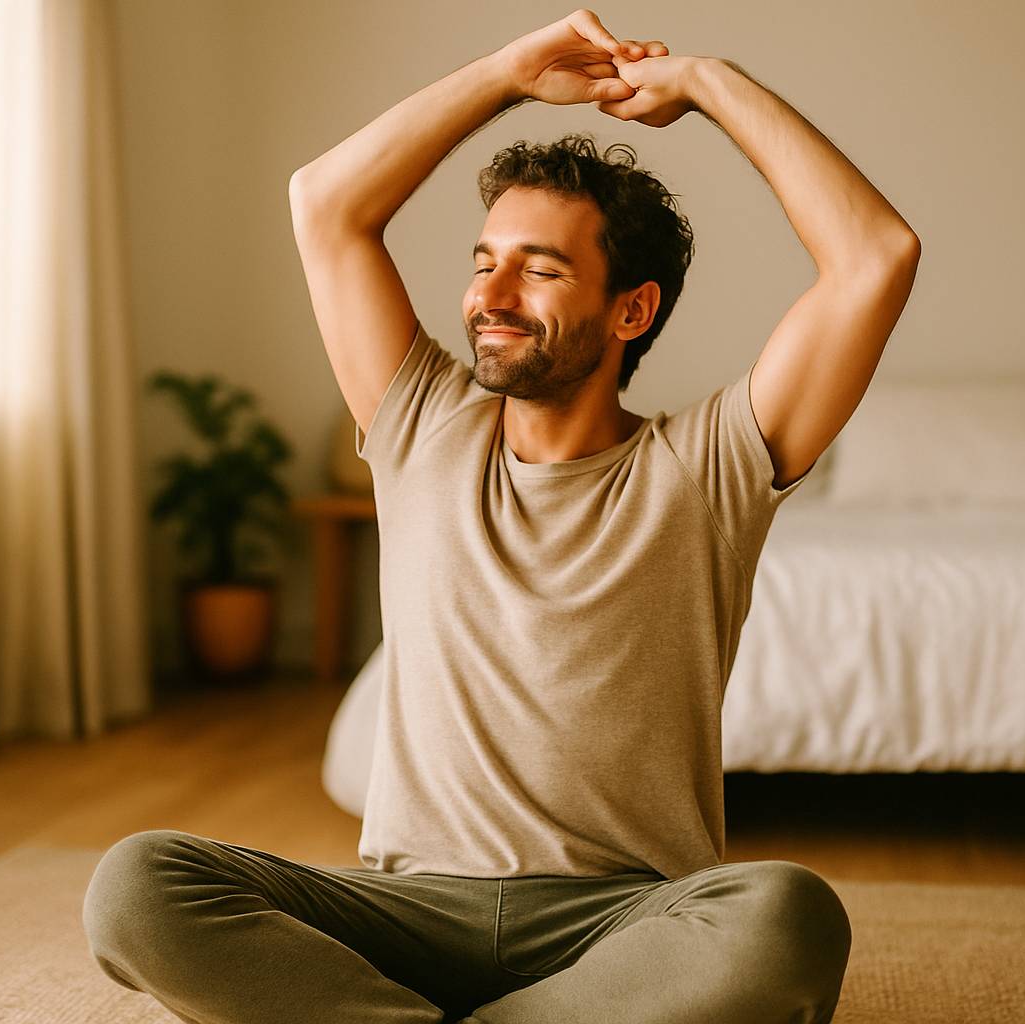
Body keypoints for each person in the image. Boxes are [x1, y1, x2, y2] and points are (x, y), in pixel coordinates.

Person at [81, 9, 920, 1023]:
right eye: (485, 259)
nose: (492, 292)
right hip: (404, 913)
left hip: (622, 926)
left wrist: (708, 81)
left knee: (788, 914)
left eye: (542, 267)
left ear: (632, 311)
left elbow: (876, 253)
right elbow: (326, 204)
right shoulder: (421, 423)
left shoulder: (709, 465)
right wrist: (508, 74)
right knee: (136, 882)